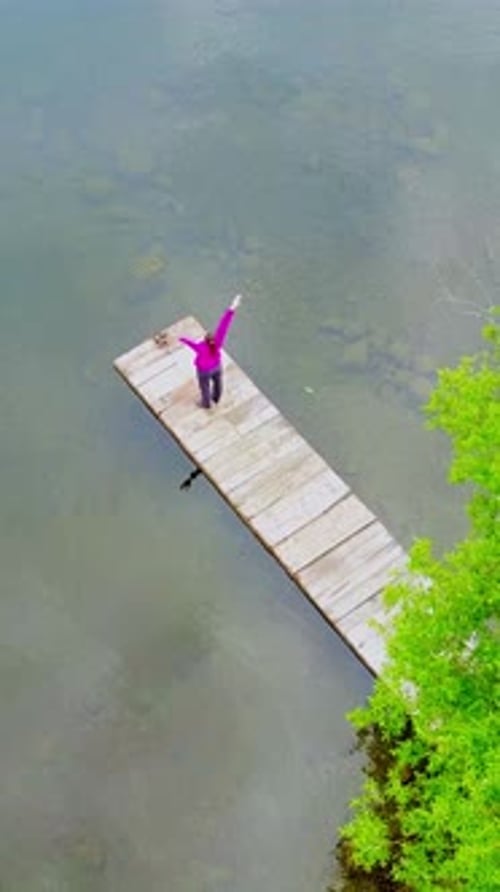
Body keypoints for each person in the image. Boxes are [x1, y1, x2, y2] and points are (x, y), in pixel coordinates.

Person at [179, 294, 242, 409]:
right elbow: (224, 325)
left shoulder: (200, 347)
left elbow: (191, 344)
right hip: (217, 367)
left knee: (205, 387)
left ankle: (206, 404)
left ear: (205, 339)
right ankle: (216, 398)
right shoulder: (218, 342)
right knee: (218, 383)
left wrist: (182, 339)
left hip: (204, 371)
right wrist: (233, 307)